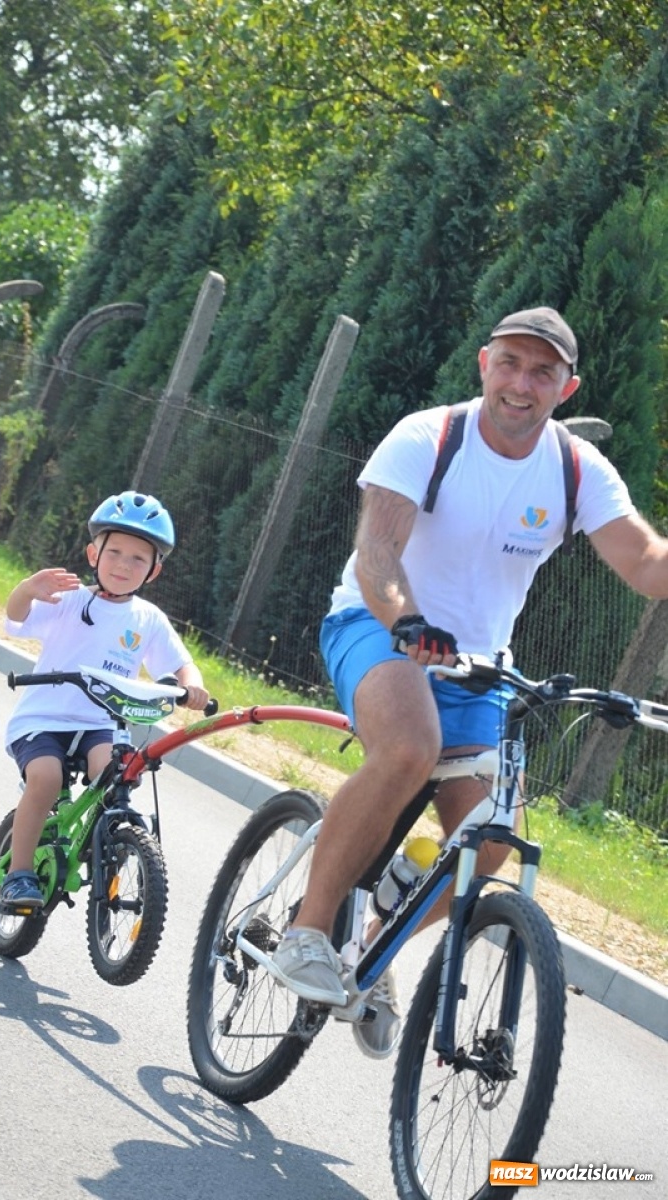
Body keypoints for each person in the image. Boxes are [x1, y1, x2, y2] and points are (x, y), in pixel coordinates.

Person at [272, 305, 668, 1058]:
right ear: (484, 365)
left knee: (492, 840)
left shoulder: (575, 470)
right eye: (510, 364)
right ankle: (307, 931)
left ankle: (376, 946)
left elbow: (645, 565)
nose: (521, 384)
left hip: (480, 664)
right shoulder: (429, 436)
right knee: (408, 748)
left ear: (566, 388)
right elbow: (376, 554)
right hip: (376, 625)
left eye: (541, 372)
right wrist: (406, 621)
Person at [0, 490, 210, 908]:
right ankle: (19, 873)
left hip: (101, 725)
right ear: (93, 554)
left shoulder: (147, 619)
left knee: (117, 774)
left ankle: (106, 841)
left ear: (153, 571)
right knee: (46, 778)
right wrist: (27, 589)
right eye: (114, 552)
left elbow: (181, 664)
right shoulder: (70, 600)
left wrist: (194, 687)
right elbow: (16, 620)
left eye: (137, 558)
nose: (123, 565)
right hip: (44, 718)